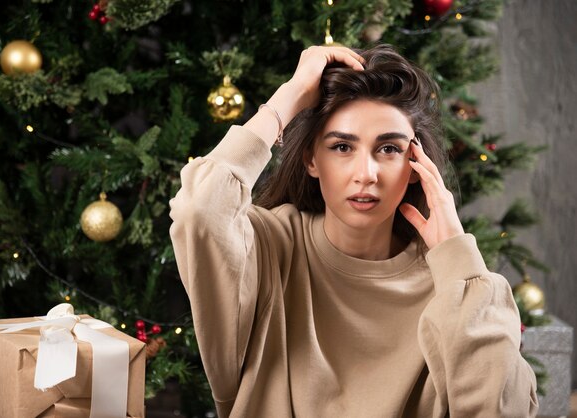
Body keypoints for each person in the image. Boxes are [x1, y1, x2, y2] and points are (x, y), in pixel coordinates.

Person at [169, 44, 538, 418]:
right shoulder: (269, 249)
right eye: (342, 146)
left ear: (415, 164)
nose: (366, 174)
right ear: (312, 159)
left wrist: (459, 260)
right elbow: (199, 210)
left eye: (389, 149)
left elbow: (501, 411)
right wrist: (291, 95)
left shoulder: (456, 287)